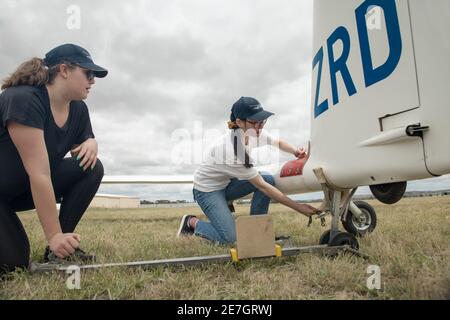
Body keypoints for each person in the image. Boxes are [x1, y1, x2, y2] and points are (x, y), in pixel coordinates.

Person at [0, 43, 108, 274]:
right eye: (88, 73)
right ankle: (56, 240)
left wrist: (91, 142)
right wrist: (53, 234)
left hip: (22, 189)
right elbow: (39, 173)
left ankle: (59, 250)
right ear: (64, 70)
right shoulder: (24, 99)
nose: (93, 80)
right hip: (11, 187)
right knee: (12, 264)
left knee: (91, 167)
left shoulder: (78, 109)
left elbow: (80, 154)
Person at [177, 96, 320, 244]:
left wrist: (295, 151)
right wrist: (298, 207)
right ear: (239, 122)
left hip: (227, 184)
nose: (260, 126)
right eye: (254, 122)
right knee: (232, 239)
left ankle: (256, 231)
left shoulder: (253, 132)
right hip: (207, 191)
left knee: (268, 178)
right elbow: (262, 187)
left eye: (262, 121)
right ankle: (192, 223)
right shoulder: (231, 151)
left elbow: (277, 142)